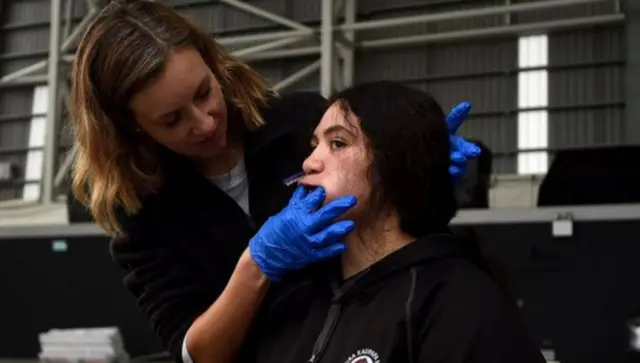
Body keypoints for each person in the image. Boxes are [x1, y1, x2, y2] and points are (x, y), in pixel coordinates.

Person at [69, 1, 481, 362]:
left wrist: (415, 164)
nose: (206, 121)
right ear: (133, 128)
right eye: (172, 119)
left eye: (203, 93)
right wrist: (257, 264)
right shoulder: (143, 215)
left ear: (214, 64)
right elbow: (195, 353)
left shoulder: (301, 120)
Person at [242, 81, 545, 363]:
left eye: (337, 143)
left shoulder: (457, 302)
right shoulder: (299, 300)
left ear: (394, 163)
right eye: (313, 145)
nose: (309, 162)